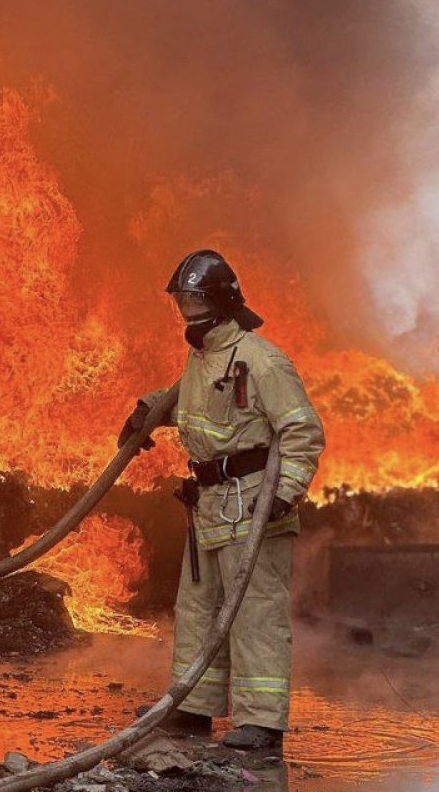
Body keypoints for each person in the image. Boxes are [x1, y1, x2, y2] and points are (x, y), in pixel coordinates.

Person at [119, 250, 325, 751]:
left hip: (254, 505)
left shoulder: (263, 360)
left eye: (194, 301)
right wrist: (146, 411)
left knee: (254, 611)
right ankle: (193, 706)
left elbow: (303, 430)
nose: (187, 312)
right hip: (211, 504)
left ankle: (262, 721)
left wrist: (283, 493)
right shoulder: (204, 358)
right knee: (199, 610)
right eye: (182, 302)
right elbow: (188, 401)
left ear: (221, 301)